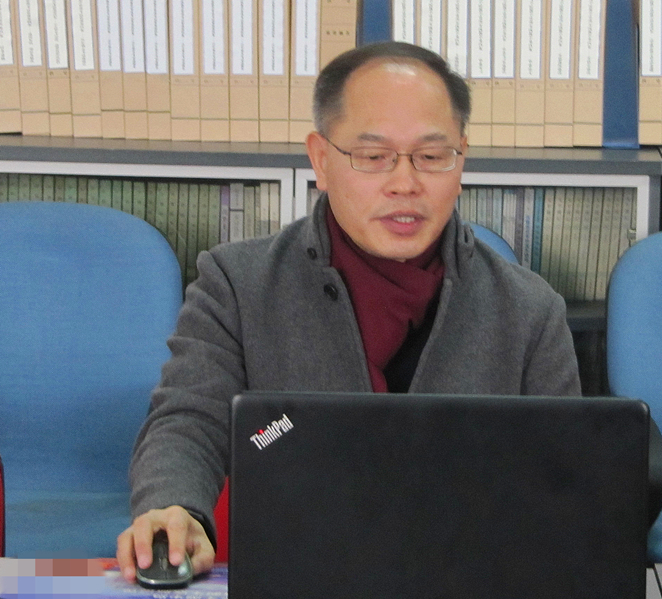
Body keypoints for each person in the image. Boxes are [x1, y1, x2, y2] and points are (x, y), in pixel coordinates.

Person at [116, 41, 581, 583]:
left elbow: (564, 476)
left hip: (469, 573)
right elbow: (189, 422)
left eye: (432, 156)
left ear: (461, 161)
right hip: (299, 569)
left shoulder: (529, 311)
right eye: (373, 156)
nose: (405, 183)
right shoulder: (238, 286)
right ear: (321, 159)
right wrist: (176, 507)